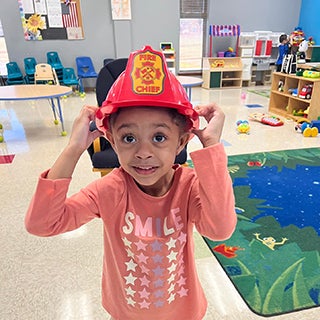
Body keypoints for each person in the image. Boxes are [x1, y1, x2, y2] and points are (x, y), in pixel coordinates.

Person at [25, 45, 237, 320]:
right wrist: (73, 148)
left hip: (182, 311)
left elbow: (220, 230)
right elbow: (42, 224)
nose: (143, 152)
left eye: (159, 137)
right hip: (126, 312)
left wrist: (210, 145)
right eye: (128, 138)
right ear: (112, 141)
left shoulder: (189, 187)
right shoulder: (109, 190)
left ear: (181, 141)